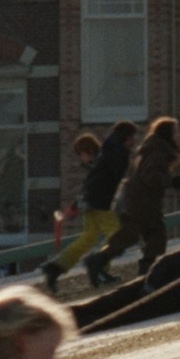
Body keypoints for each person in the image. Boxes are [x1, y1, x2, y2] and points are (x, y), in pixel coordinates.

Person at [71, 220, 180, 334]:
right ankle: (66, 318)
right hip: (149, 287)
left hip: (169, 303)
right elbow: (165, 262)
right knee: (106, 302)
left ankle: (82, 328)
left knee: (121, 317)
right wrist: (150, 284)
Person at [44, 122, 135, 294]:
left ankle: (56, 267)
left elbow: (92, 183)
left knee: (89, 237)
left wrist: (78, 204)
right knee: (116, 234)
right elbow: (101, 182)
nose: (133, 142)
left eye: (81, 154)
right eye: (131, 138)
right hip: (101, 202)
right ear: (126, 137)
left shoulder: (107, 154)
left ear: (88, 150)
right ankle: (100, 268)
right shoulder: (115, 153)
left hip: (92, 202)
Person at [95, 117, 180, 280]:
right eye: (176, 131)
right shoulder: (158, 150)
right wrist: (172, 181)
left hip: (141, 201)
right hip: (142, 203)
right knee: (151, 236)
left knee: (135, 237)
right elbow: (150, 176)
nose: (179, 134)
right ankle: (143, 272)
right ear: (168, 133)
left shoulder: (157, 148)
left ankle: (140, 270)